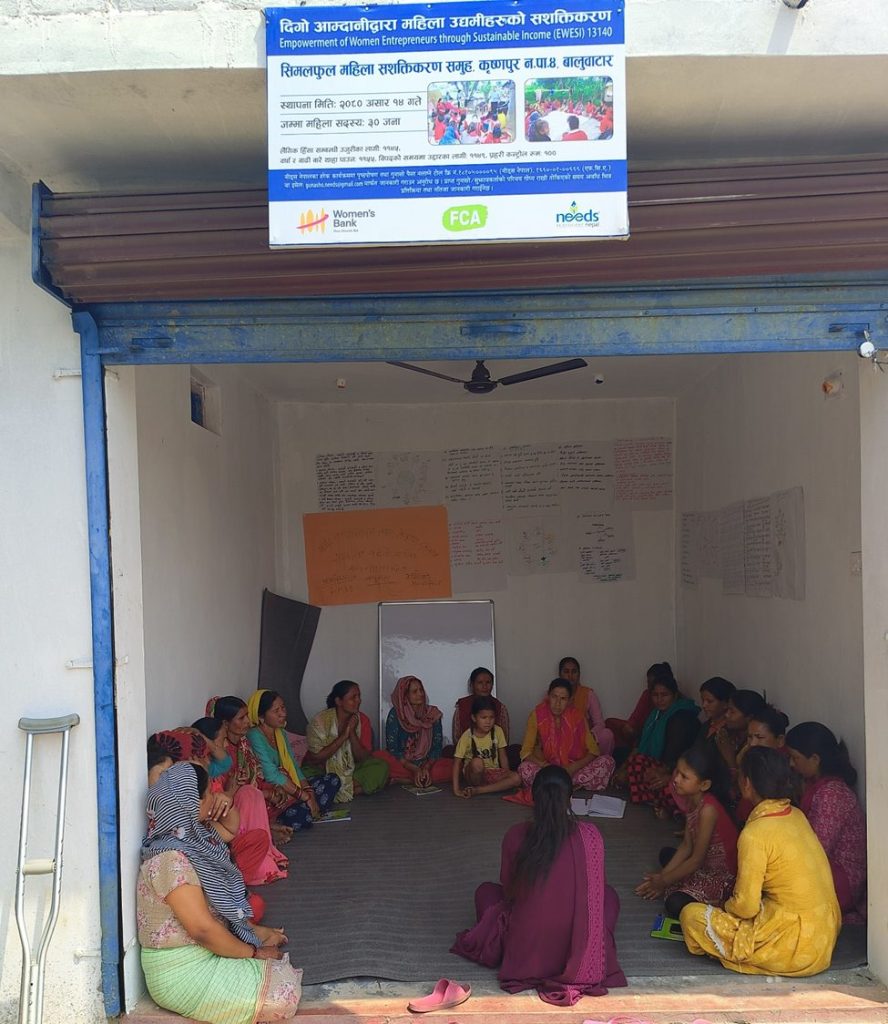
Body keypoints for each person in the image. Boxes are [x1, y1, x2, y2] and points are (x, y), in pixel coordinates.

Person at [138, 762, 302, 1024]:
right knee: (283, 995)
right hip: (180, 971)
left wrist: (225, 803)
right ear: (192, 801)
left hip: (201, 955)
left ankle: (248, 942)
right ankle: (248, 946)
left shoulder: (188, 838)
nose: (213, 797)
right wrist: (253, 953)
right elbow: (202, 930)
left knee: (278, 975)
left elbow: (228, 830)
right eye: (207, 794)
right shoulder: (170, 859)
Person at [451, 765, 626, 1004]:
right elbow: (594, 891)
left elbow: (510, 890)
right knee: (609, 896)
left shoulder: (516, 835)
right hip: (575, 944)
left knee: (486, 892)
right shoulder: (591, 836)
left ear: (532, 798)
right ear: (570, 799)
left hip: (526, 947)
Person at [680, 746, 840, 977]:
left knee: (690, 915)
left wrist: (726, 907)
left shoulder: (755, 833)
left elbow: (746, 907)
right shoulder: (796, 815)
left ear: (747, 783)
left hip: (789, 946)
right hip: (824, 937)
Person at [635, 745, 737, 919]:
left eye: (684, 777)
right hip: (703, 863)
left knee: (674, 904)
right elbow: (686, 846)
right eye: (677, 773)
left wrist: (664, 881)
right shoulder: (692, 800)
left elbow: (696, 860)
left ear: (704, 784)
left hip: (721, 876)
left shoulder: (708, 810)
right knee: (666, 854)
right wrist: (663, 877)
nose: (676, 780)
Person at [193, 716, 288, 887]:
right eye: (222, 741)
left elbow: (225, 761)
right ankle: (237, 879)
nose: (225, 746)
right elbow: (217, 813)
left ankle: (260, 858)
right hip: (219, 838)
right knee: (248, 795)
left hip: (228, 828)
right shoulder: (199, 773)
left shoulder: (214, 765)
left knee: (252, 799)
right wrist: (231, 791)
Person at [786, 721, 867, 922]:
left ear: (815, 759)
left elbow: (817, 849)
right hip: (827, 868)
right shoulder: (817, 785)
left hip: (841, 879)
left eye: (795, 758)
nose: (791, 764)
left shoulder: (832, 793)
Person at [206, 695, 294, 849]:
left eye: (247, 715)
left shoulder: (243, 743)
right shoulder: (223, 753)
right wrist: (266, 794)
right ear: (226, 724)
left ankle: (266, 827)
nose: (248, 721)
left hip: (253, 793)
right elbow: (232, 791)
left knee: (282, 779)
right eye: (241, 718)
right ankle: (264, 830)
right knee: (251, 798)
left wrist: (272, 790)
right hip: (235, 807)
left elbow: (256, 773)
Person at [246, 689, 341, 831]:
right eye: (276, 710)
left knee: (333, 780)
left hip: (290, 786)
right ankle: (279, 820)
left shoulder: (280, 733)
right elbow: (271, 774)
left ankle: (306, 808)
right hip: (274, 794)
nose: (283, 713)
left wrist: (309, 792)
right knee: (303, 816)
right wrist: (303, 796)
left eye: (283, 707)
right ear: (261, 717)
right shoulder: (254, 735)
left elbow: (294, 767)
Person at [518, 680, 615, 792]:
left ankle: (557, 785)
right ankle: (568, 785)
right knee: (524, 769)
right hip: (547, 768)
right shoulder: (536, 715)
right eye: (554, 697)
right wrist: (545, 766)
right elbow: (525, 752)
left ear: (569, 700)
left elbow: (593, 751)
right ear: (548, 696)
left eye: (563, 699)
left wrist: (572, 768)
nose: (557, 703)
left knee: (608, 761)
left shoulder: (578, 717)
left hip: (573, 770)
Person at [624, 675, 699, 815]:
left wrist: (667, 773)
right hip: (662, 764)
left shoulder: (681, 718)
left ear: (675, 695)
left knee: (672, 788)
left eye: (664, 695)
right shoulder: (656, 714)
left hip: (679, 769)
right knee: (636, 761)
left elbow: (678, 755)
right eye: (655, 695)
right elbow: (641, 746)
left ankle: (669, 806)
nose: (659, 699)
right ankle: (657, 800)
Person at [304, 680, 389, 801]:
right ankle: (349, 790)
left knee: (381, 766)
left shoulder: (362, 720)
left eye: (359, 696)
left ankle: (330, 792)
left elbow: (362, 757)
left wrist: (352, 733)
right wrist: (343, 736)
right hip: (321, 770)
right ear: (339, 701)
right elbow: (317, 757)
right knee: (303, 775)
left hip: (351, 769)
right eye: (353, 697)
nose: (358, 701)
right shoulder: (320, 721)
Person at [380, 675, 454, 786]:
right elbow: (392, 748)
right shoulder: (396, 714)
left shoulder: (432, 714)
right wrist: (414, 769)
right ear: (404, 696)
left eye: (421, 690)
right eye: (414, 692)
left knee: (453, 766)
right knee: (380, 759)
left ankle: (410, 778)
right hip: (403, 763)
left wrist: (426, 767)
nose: (420, 694)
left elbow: (437, 747)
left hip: (427, 763)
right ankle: (416, 778)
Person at [451, 667, 520, 768]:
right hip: (469, 755)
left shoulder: (500, 707)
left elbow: (504, 739)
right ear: (472, 685)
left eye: (488, 682)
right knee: (448, 751)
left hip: (494, 755)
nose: (484, 686)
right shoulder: (462, 706)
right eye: (480, 683)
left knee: (516, 751)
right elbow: (457, 737)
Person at [452, 696, 520, 798]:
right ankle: (486, 787)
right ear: (474, 718)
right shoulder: (467, 736)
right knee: (477, 762)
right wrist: (456, 790)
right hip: (474, 775)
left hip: (492, 772)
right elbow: (457, 763)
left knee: (516, 778)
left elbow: (503, 756)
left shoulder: (498, 731)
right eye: (483, 718)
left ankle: (480, 790)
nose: (488, 721)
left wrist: (507, 774)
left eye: (491, 717)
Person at [734, 705, 791, 823]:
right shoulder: (751, 757)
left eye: (760, 737)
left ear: (780, 740)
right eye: (750, 737)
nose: (753, 743)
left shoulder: (782, 769)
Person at [606, 661, 673, 755]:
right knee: (610, 723)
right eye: (648, 683)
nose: (649, 687)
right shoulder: (647, 694)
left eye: (652, 684)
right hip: (638, 731)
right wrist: (630, 727)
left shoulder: (673, 703)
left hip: (650, 735)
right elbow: (635, 718)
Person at [557, 656, 614, 755]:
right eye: (566, 671)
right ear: (560, 674)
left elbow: (600, 723)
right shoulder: (552, 694)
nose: (570, 675)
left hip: (584, 739)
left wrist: (588, 735)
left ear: (579, 674)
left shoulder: (588, 694)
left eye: (574, 671)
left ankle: (596, 764)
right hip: (561, 740)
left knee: (606, 735)